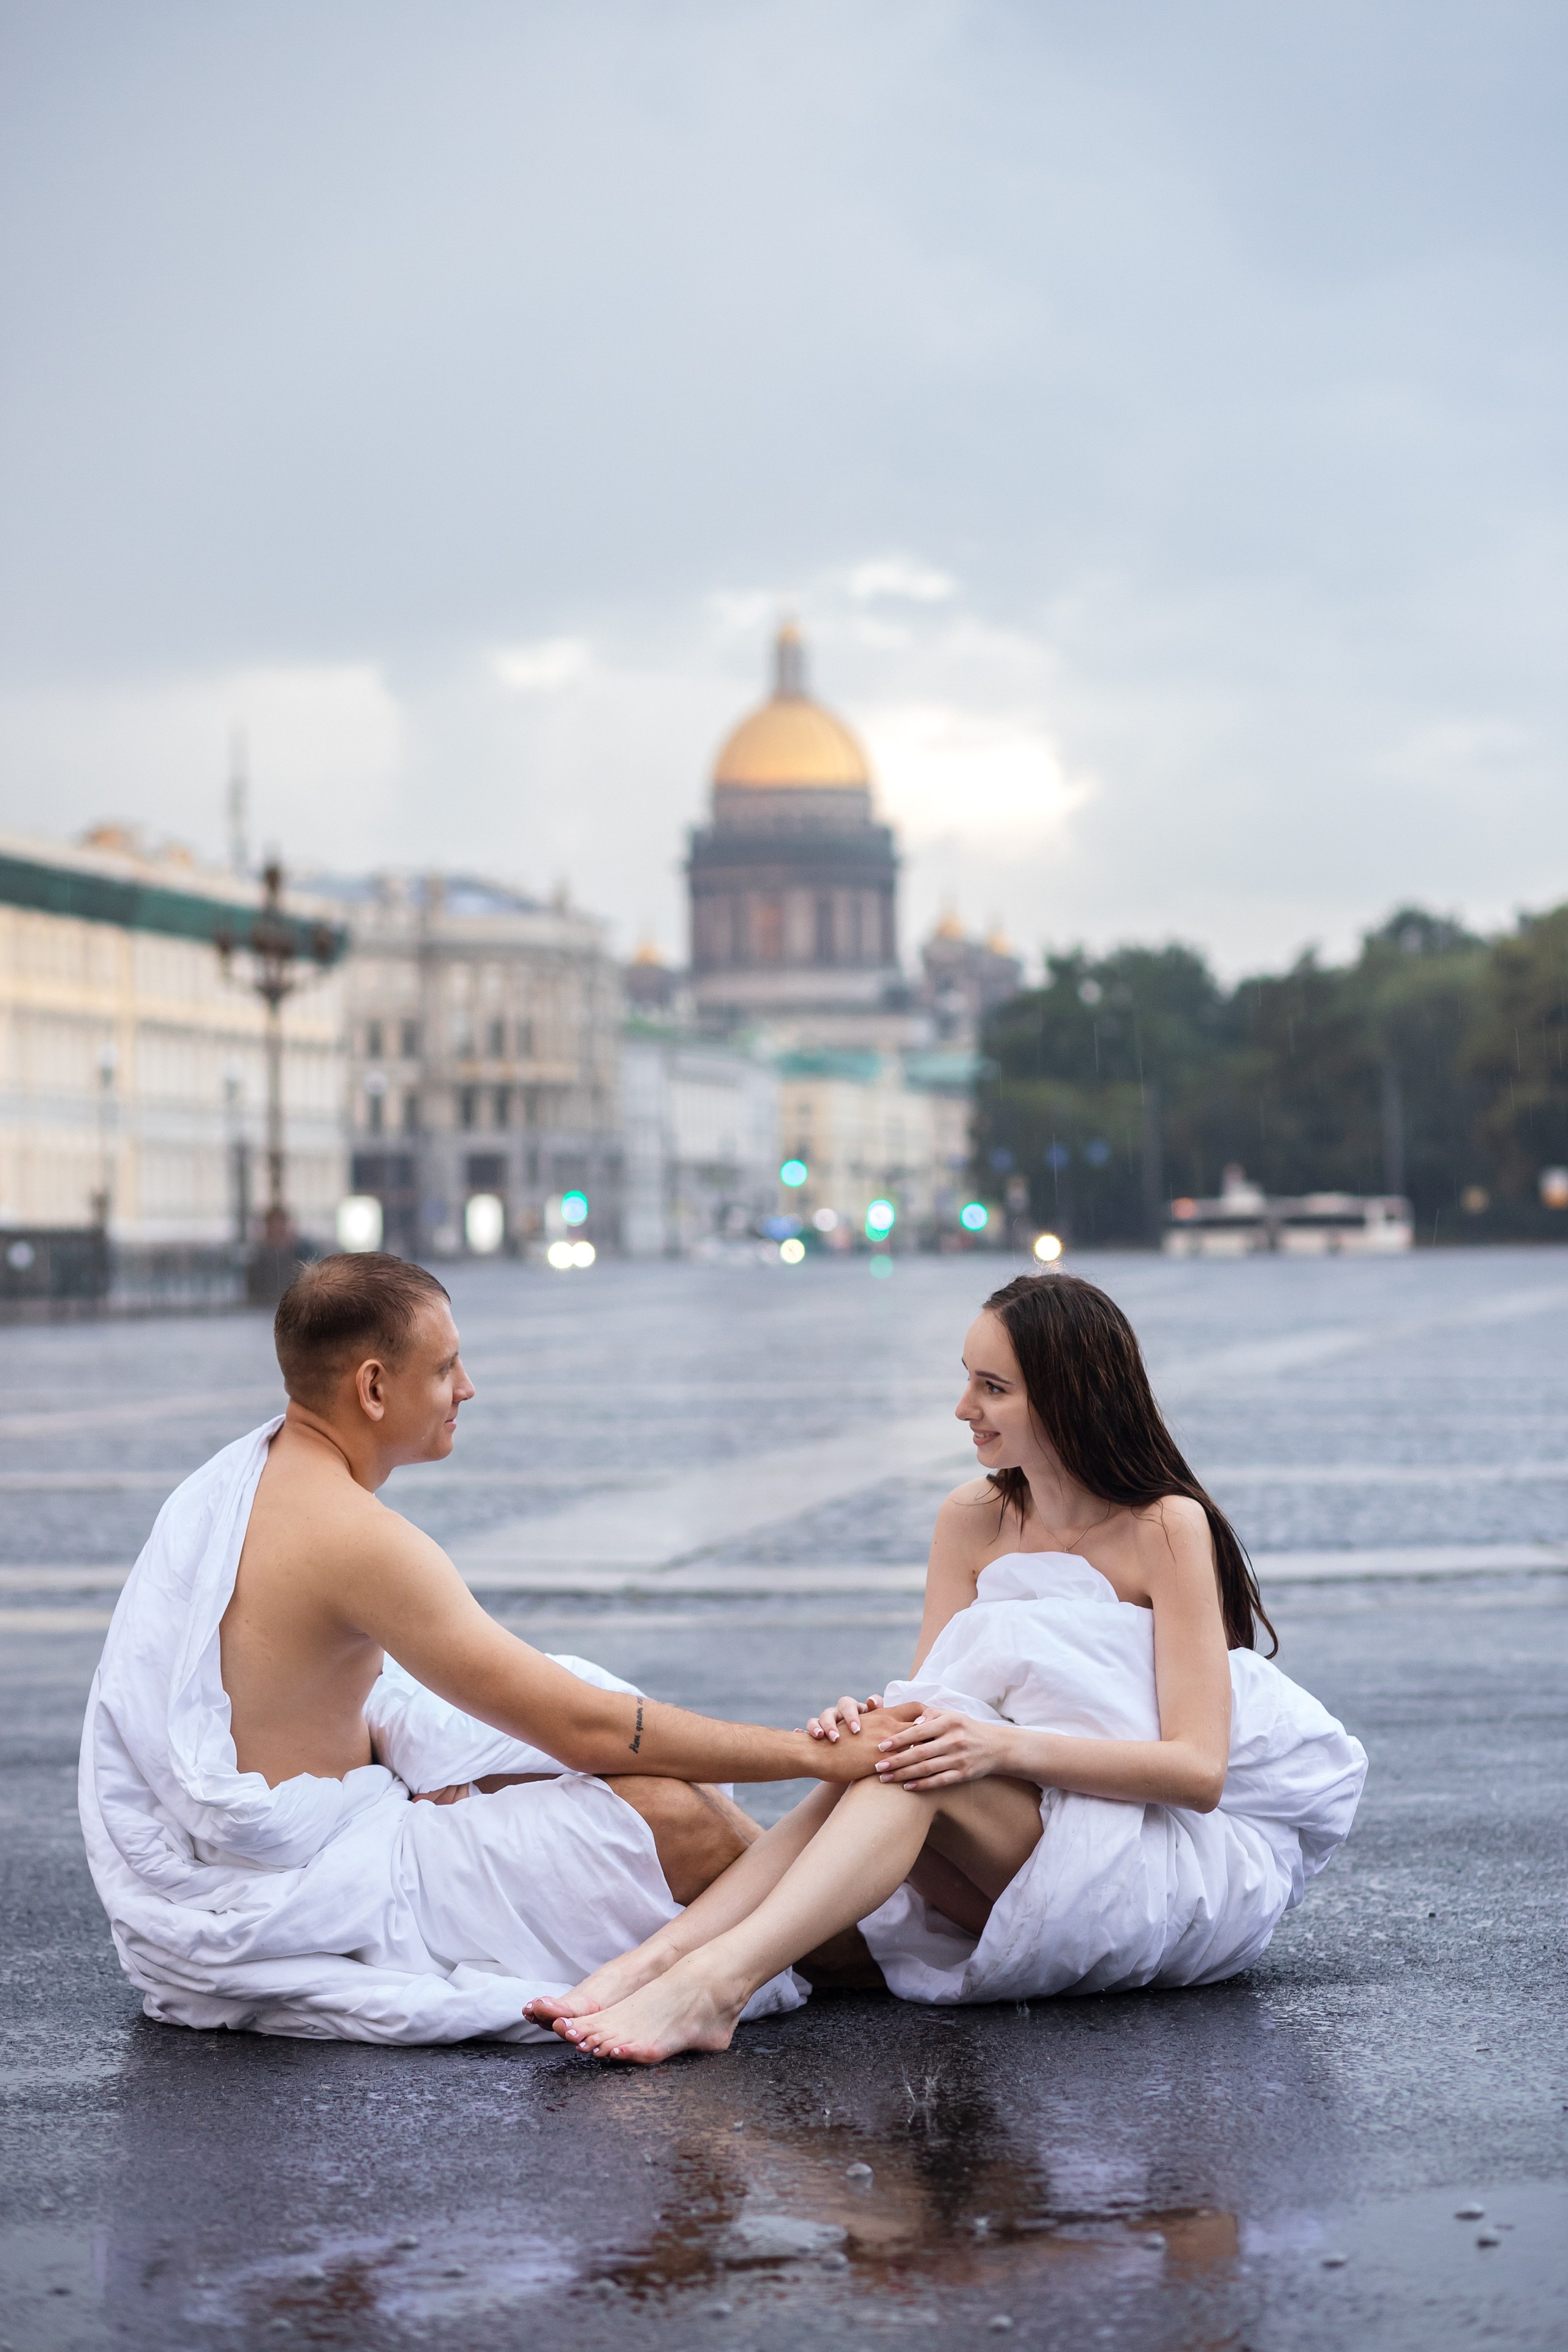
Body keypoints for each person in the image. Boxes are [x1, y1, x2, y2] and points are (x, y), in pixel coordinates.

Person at [532, 1271, 1367, 2064]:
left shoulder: (1166, 1527)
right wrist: (861, 1726)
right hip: (1004, 1842)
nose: (964, 1408)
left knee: (918, 1768)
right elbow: (935, 1699)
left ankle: (713, 1983)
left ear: (1071, 1396)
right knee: (897, 1749)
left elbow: (1197, 1772)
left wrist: (999, 1749)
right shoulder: (970, 1519)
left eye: (993, 1388)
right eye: (969, 1380)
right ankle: (663, 1963)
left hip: (1144, 1854)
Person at [78, 1254, 902, 2045]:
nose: (466, 1389)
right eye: (445, 1369)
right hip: (303, 1879)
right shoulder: (358, 1538)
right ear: (373, 1386)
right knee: (673, 1818)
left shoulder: (239, 1484)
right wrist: (813, 1755)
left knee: (631, 1783)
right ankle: (910, 1966)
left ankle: (860, 1918)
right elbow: (585, 1728)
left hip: (316, 1826)